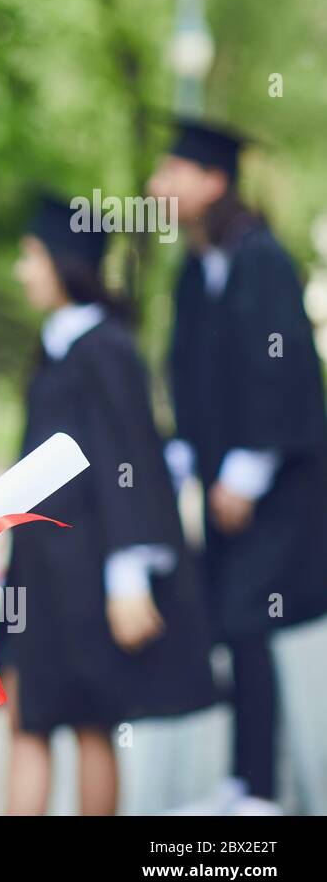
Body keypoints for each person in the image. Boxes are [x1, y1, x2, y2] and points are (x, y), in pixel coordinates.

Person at [0, 194, 217, 815]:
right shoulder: (59, 346)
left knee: (92, 723)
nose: (23, 270)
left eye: (31, 255)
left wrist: (128, 579)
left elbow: (133, 468)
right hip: (43, 576)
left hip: (88, 579)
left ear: (67, 260)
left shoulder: (106, 349)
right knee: (28, 719)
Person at [150, 119, 327, 815]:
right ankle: (248, 779)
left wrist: (244, 474)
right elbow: (194, 376)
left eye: (173, 173)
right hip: (226, 484)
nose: (158, 187)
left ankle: (259, 789)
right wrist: (186, 456)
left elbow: (279, 381)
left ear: (213, 181)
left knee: (250, 615)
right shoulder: (198, 266)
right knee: (234, 619)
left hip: (276, 488)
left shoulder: (262, 260)